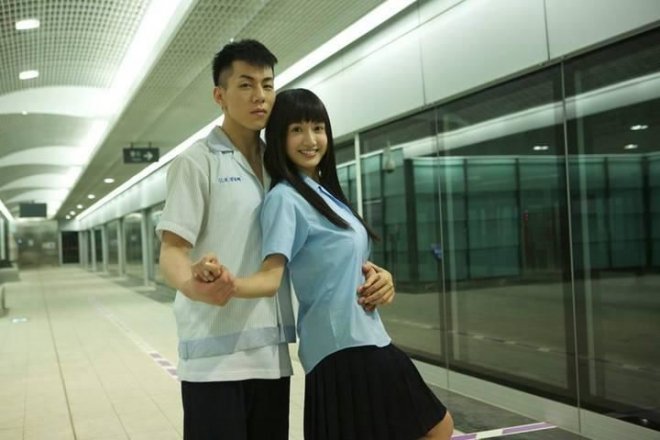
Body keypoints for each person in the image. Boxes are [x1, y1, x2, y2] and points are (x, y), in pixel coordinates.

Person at [157, 40, 395, 440]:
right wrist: (193, 283)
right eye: (245, 85)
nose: (260, 96)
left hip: (272, 360)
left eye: (267, 85)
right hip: (213, 360)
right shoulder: (196, 162)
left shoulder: (281, 168)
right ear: (219, 95)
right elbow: (172, 250)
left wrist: (375, 274)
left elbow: (323, 244)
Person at [194, 88, 454, 439]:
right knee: (437, 427)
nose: (310, 139)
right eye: (297, 130)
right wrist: (229, 282)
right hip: (343, 347)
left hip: (364, 338)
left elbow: (344, 261)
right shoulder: (285, 198)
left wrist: (382, 277)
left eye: (318, 128)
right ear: (279, 137)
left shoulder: (324, 192)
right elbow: (271, 276)